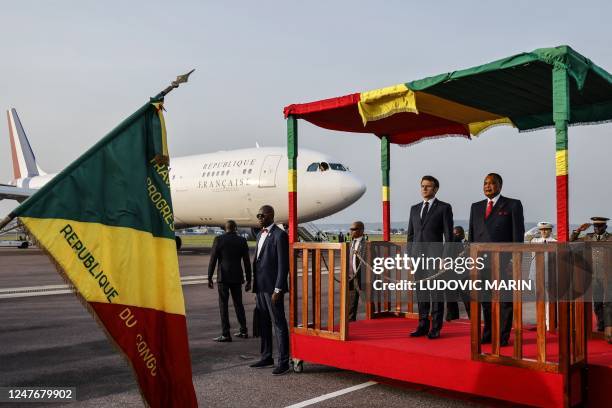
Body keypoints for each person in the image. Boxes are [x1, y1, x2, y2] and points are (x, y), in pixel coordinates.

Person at [469, 173, 525, 347]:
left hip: (504, 261)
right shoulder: (476, 207)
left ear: (500, 185)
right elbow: (471, 236)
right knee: (485, 300)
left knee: (504, 301)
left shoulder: (513, 205)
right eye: (485, 183)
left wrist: (515, 261)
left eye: (492, 183)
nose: (488, 186)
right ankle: (488, 332)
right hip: (482, 261)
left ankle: (502, 335)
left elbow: (518, 235)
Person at [407, 175, 454, 339]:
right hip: (417, 258)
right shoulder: (414, 208)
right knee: (421, 293)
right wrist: (410, 257)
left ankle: (436, 327)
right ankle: (422, 325)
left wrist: (445, 257)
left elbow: (449, 236)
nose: (424, 189)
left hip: (435, 258)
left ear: (435, 189)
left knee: (436, 293)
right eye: (422, 186)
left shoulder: (444, 208)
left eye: (428, 186)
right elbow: (410, 236)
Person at [249, 205, 291, 375]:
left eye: (262, 215)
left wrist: (278, 288)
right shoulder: (259, 234)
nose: (259, 217)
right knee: (264, 322)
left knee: (279, 324)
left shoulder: (280, 235)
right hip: (260, 287)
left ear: (271, 215)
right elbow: (258, 262)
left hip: (273, 288)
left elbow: (283, 265)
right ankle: (266, 356)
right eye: (258, 215)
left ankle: (284, 361)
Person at [208, 220, 251, 342]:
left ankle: (226, 333)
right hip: (237, 277)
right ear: (236, 228)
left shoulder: (219, 239)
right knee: (239, 304)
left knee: (223, 305)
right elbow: (246, 262)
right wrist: (249, 280)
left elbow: (213, 260)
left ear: (225, 228)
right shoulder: (242, 241)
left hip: (223, 277)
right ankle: (243, 330)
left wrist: (209, 277)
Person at [571, 217, 611, 343]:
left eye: (600, 227)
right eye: (595, 227)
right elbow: (571, 240)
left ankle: (609, 328)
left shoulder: (610, 238)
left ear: (605, 227)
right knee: (597, 302)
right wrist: (578, 230)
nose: (597, 229)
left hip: (608, 275)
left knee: (609, 302)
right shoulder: (588, 237)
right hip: (593, 275)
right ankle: (601, 325)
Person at [446, 226, 470, 321]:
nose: (455, 236)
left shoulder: (467, 244)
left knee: (466, 297)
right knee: (450, 296)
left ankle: (472, 317)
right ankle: (452, 316)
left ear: (461, 234)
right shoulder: (452, 243)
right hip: (452, 272)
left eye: (456, 234)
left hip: (464, 273)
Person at [348, 221, 366, 321]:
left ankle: (374, 323)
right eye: (350, 229)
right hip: (351, 278)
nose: (351, 231)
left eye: (354, 229)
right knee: (351, 304)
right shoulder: (351, 243)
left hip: (363, 278)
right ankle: (351, 322)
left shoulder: (366, 244)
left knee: (369, 303)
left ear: (361, 231)